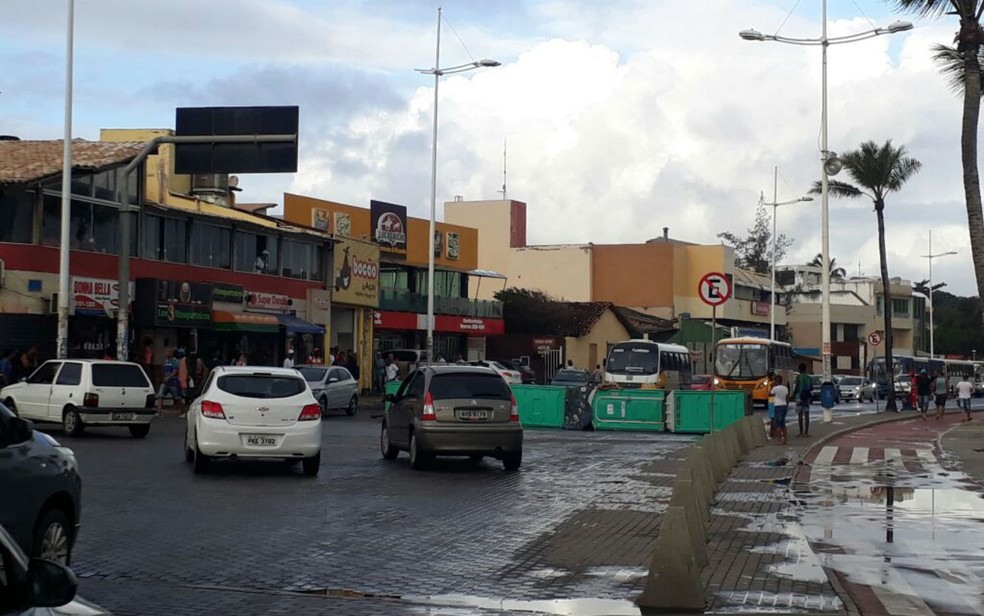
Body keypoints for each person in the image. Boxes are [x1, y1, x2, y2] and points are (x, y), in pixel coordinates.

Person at [156, 349, 182, 414]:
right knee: (160, 395)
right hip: (165, 382)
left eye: (168, 352)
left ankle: (183, 411)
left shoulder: (174, 361)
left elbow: (175, 371)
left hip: (173, 382)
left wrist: (168, 377)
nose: (166, 353)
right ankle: (158, 412)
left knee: (177, 398)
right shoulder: (166, 361)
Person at [792, 364, 813, 437]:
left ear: (799, 369)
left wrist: (793, 394)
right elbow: (811, 388)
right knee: (806, 414)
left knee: (800, 414)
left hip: (799, 397)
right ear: (805, 369)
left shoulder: (798, 377)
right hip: (807, 397)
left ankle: (801, 432)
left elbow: (797, 387)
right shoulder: (809, 378)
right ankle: (806, 432)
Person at [770, 375, 789, 445]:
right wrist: (786, 405)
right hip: (784, 405)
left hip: (778, 406)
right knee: (783, 423)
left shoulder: (775, 388)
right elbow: (787, 398)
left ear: (776, 381)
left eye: (774, 380)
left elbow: (770, 393)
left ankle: (779, 439)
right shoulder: (785, 388)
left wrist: (771, 386)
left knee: (778, 424)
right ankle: (786, 439)